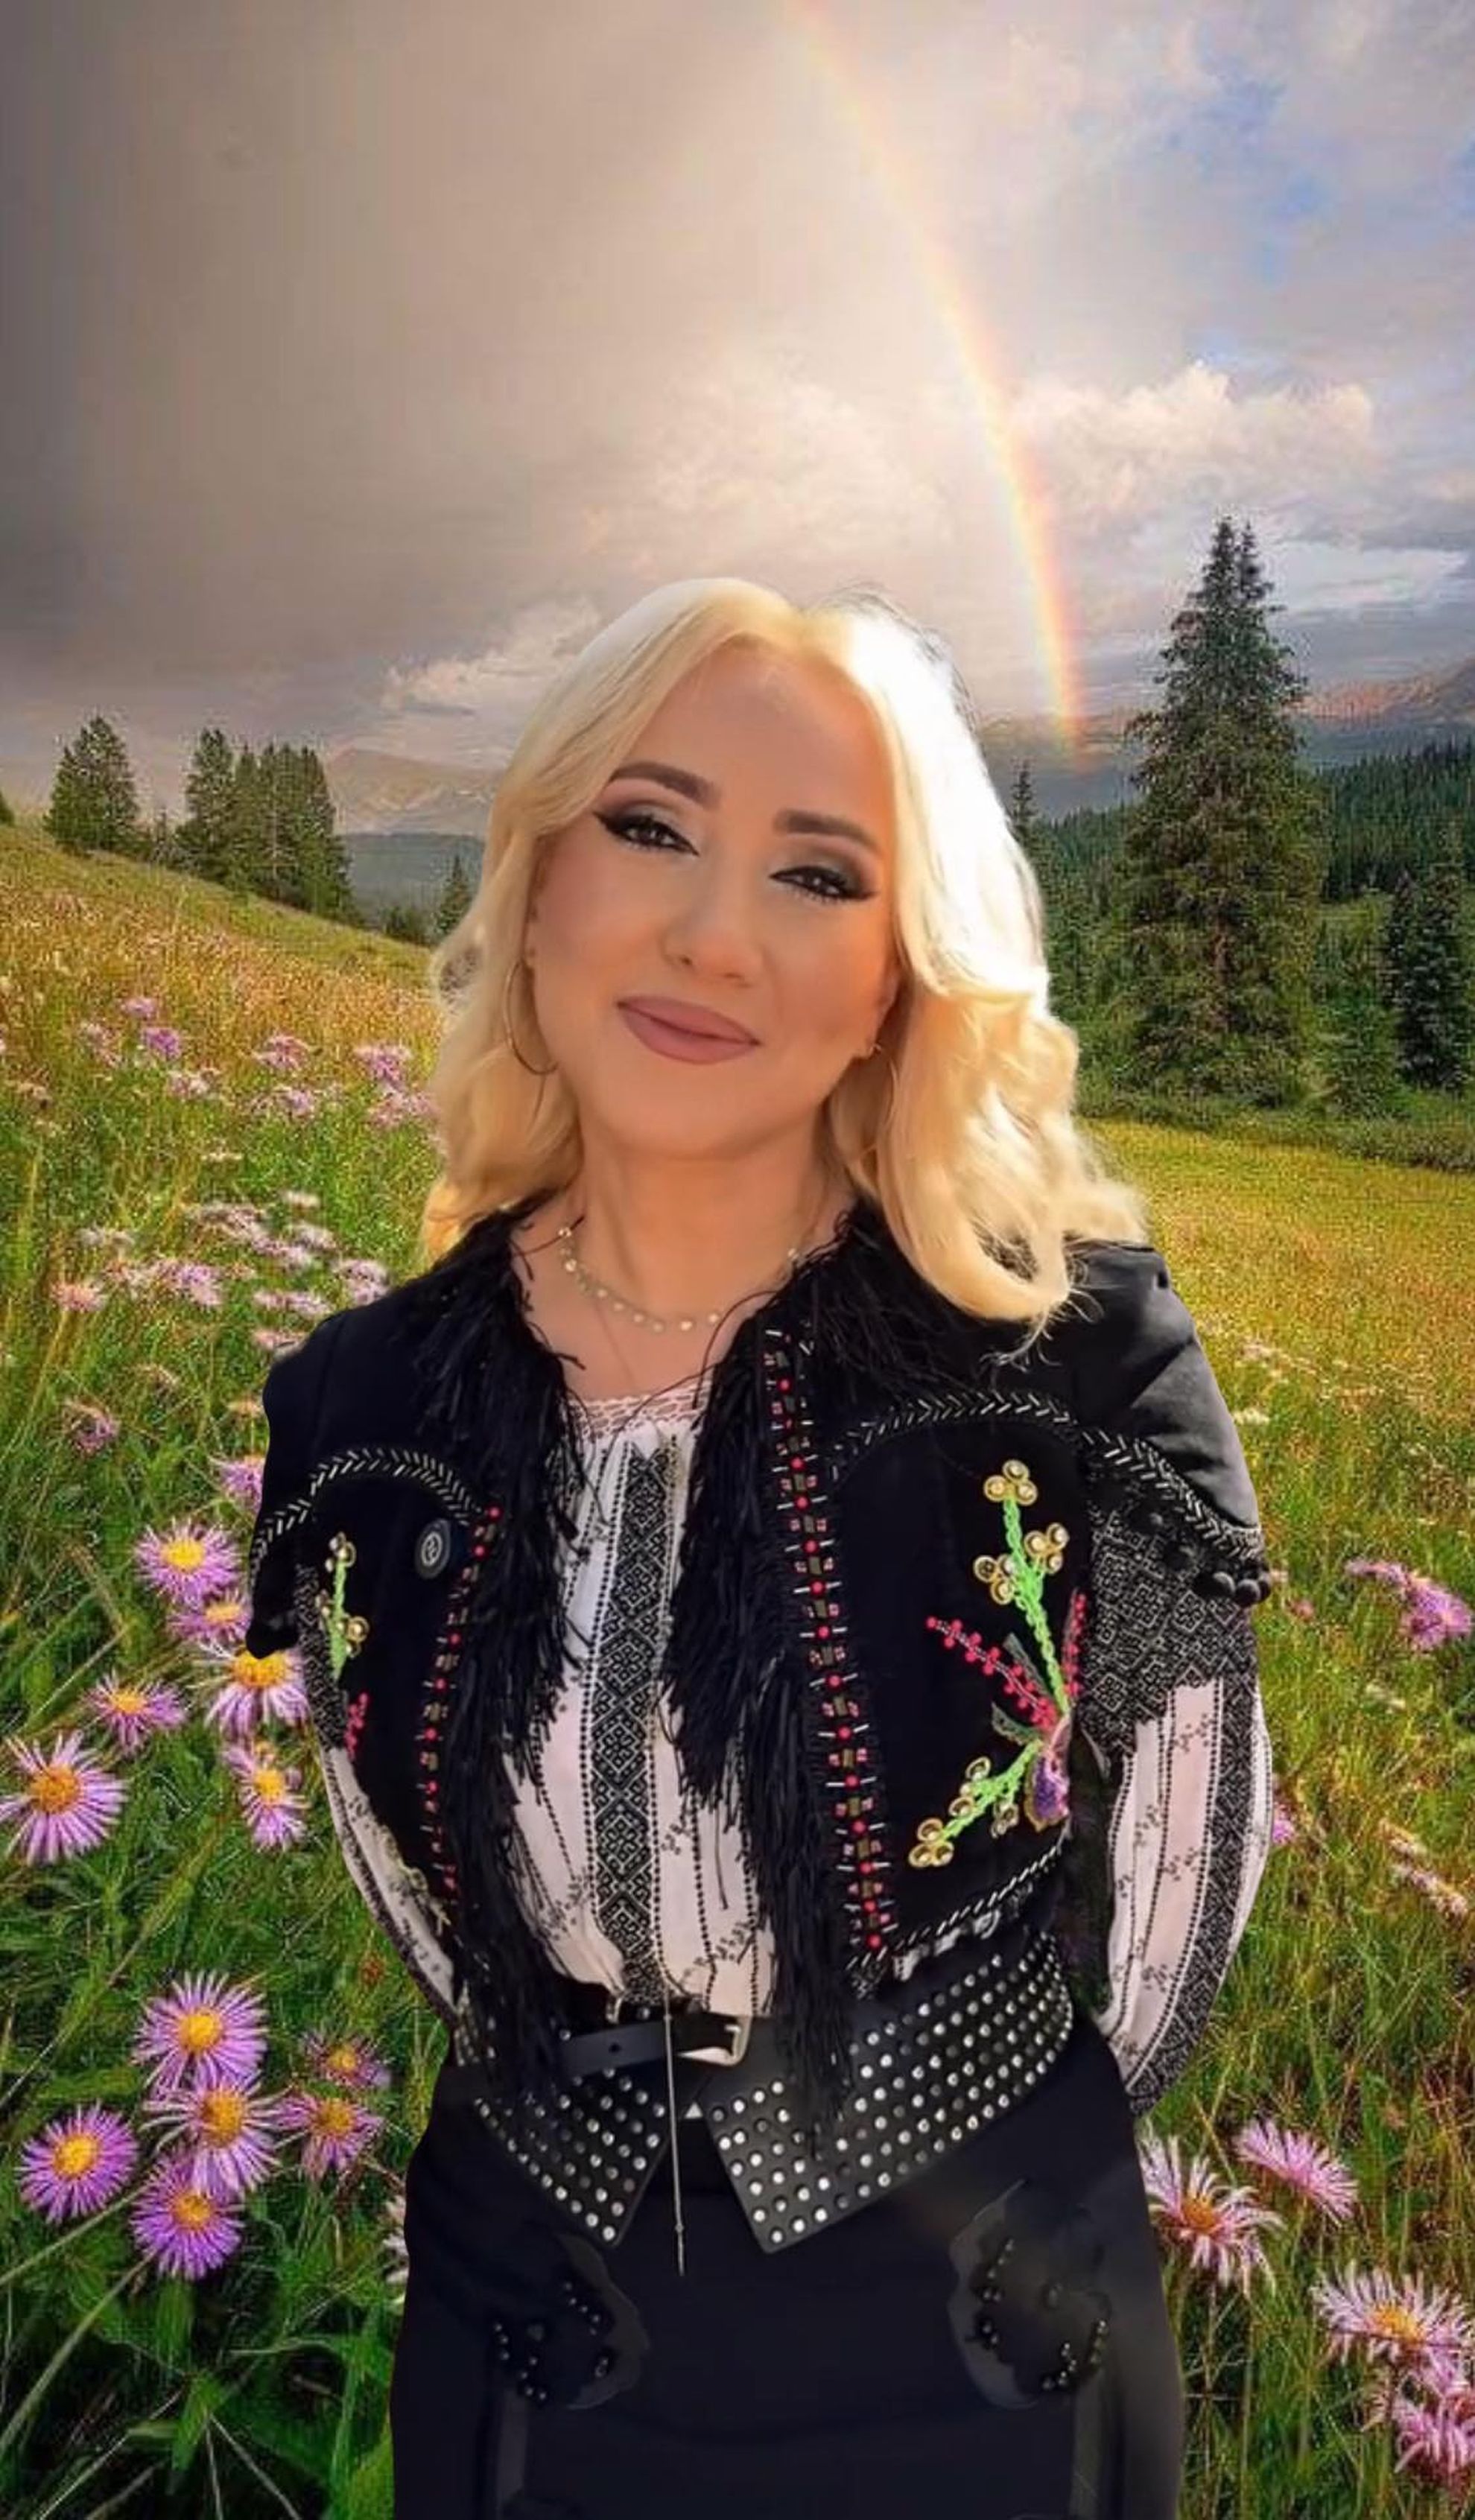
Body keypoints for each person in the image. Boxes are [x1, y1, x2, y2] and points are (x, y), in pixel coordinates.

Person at [245, 579, 1276, 2520]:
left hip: (982, 2321)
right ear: (537, 886)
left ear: (897, 973)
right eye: (650, 827)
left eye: (817, 875)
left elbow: (1176, 1893)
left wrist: (974, 2158)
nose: (714, 935)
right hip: (527, 2313)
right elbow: (415, 1887)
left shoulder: (1068, 1373)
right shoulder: (363, 1407)